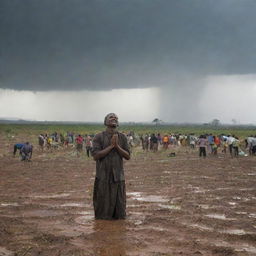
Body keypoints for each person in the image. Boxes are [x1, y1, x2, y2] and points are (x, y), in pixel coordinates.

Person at [91, 113, 130, 220]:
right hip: (103, 176)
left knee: (120, 209)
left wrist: (117, 146)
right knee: (102, 208)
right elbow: (95, 156)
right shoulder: (98, 137)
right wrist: (111, 146)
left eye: (116, 118)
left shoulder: (122, 137)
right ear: (105, 122)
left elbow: (127, 156)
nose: (114, 118)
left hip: (118, 176)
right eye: (111, 117)